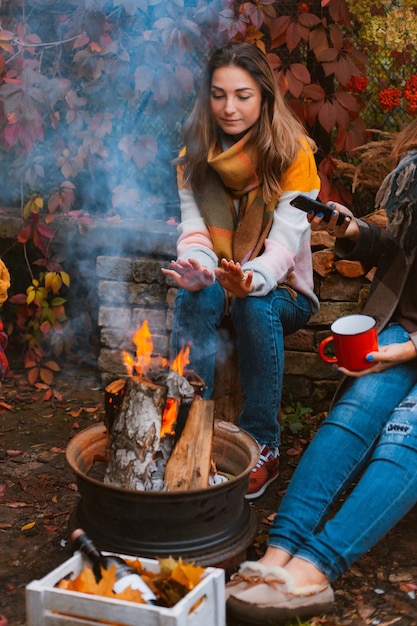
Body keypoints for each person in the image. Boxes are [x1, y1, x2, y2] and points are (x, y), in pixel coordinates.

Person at [225, 119, 417, 623]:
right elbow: (399, 251)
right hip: (401, 327)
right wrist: (354, 232)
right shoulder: (413, 173)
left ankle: (313, 571)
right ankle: (277, 554)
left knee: (406, 437)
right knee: (353, 414)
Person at [161, 42, 320, 499]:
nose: (229, 108)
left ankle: (262, 444)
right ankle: (188, 428)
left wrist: (250, 280)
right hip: (223, 278)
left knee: (254, 306)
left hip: (283, 291)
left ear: (264, 97)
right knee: (195, 294)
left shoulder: (294, 155)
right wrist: (201, 269)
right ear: (206, 97)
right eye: (218, 94)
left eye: (243, 95)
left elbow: (286, 246)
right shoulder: (193, 155)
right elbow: (195, 232)